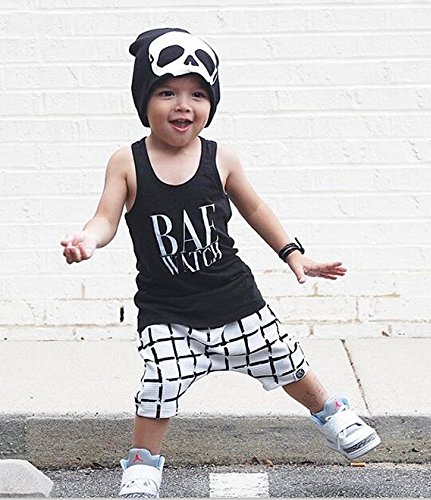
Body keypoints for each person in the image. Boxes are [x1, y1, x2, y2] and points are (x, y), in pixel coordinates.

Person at [61, 27, 380, 498]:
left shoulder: (221, 158)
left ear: (211, 103)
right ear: (143, 100)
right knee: (159, 384)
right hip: (167, 310)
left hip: (234, 298)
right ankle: (143, 463)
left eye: (197, 94)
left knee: (285, 359)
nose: (183, 105)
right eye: (167, 93)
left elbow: (256, 209)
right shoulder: (126, 162)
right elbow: (106, 217)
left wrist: (293, 254)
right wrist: (88, 240)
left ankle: (331, 413)